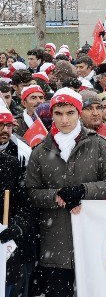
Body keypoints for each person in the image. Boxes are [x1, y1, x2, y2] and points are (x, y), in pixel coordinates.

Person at [26, 87, 106, 297]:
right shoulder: (40, 151)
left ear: (79, 113)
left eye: (70, 113)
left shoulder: (98, 144)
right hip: (55, 242)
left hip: (92, 237)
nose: (64, 120)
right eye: (58, 114)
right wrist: (56, 195)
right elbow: (32, 192)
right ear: (51, 115)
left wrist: (83, 191)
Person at [0, 106, 34, 297]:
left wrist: (17, 226)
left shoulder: (17, 159)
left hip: (9, 245)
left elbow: (24, 201)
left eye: (8, 125)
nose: (5, 130)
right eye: (0, 125)